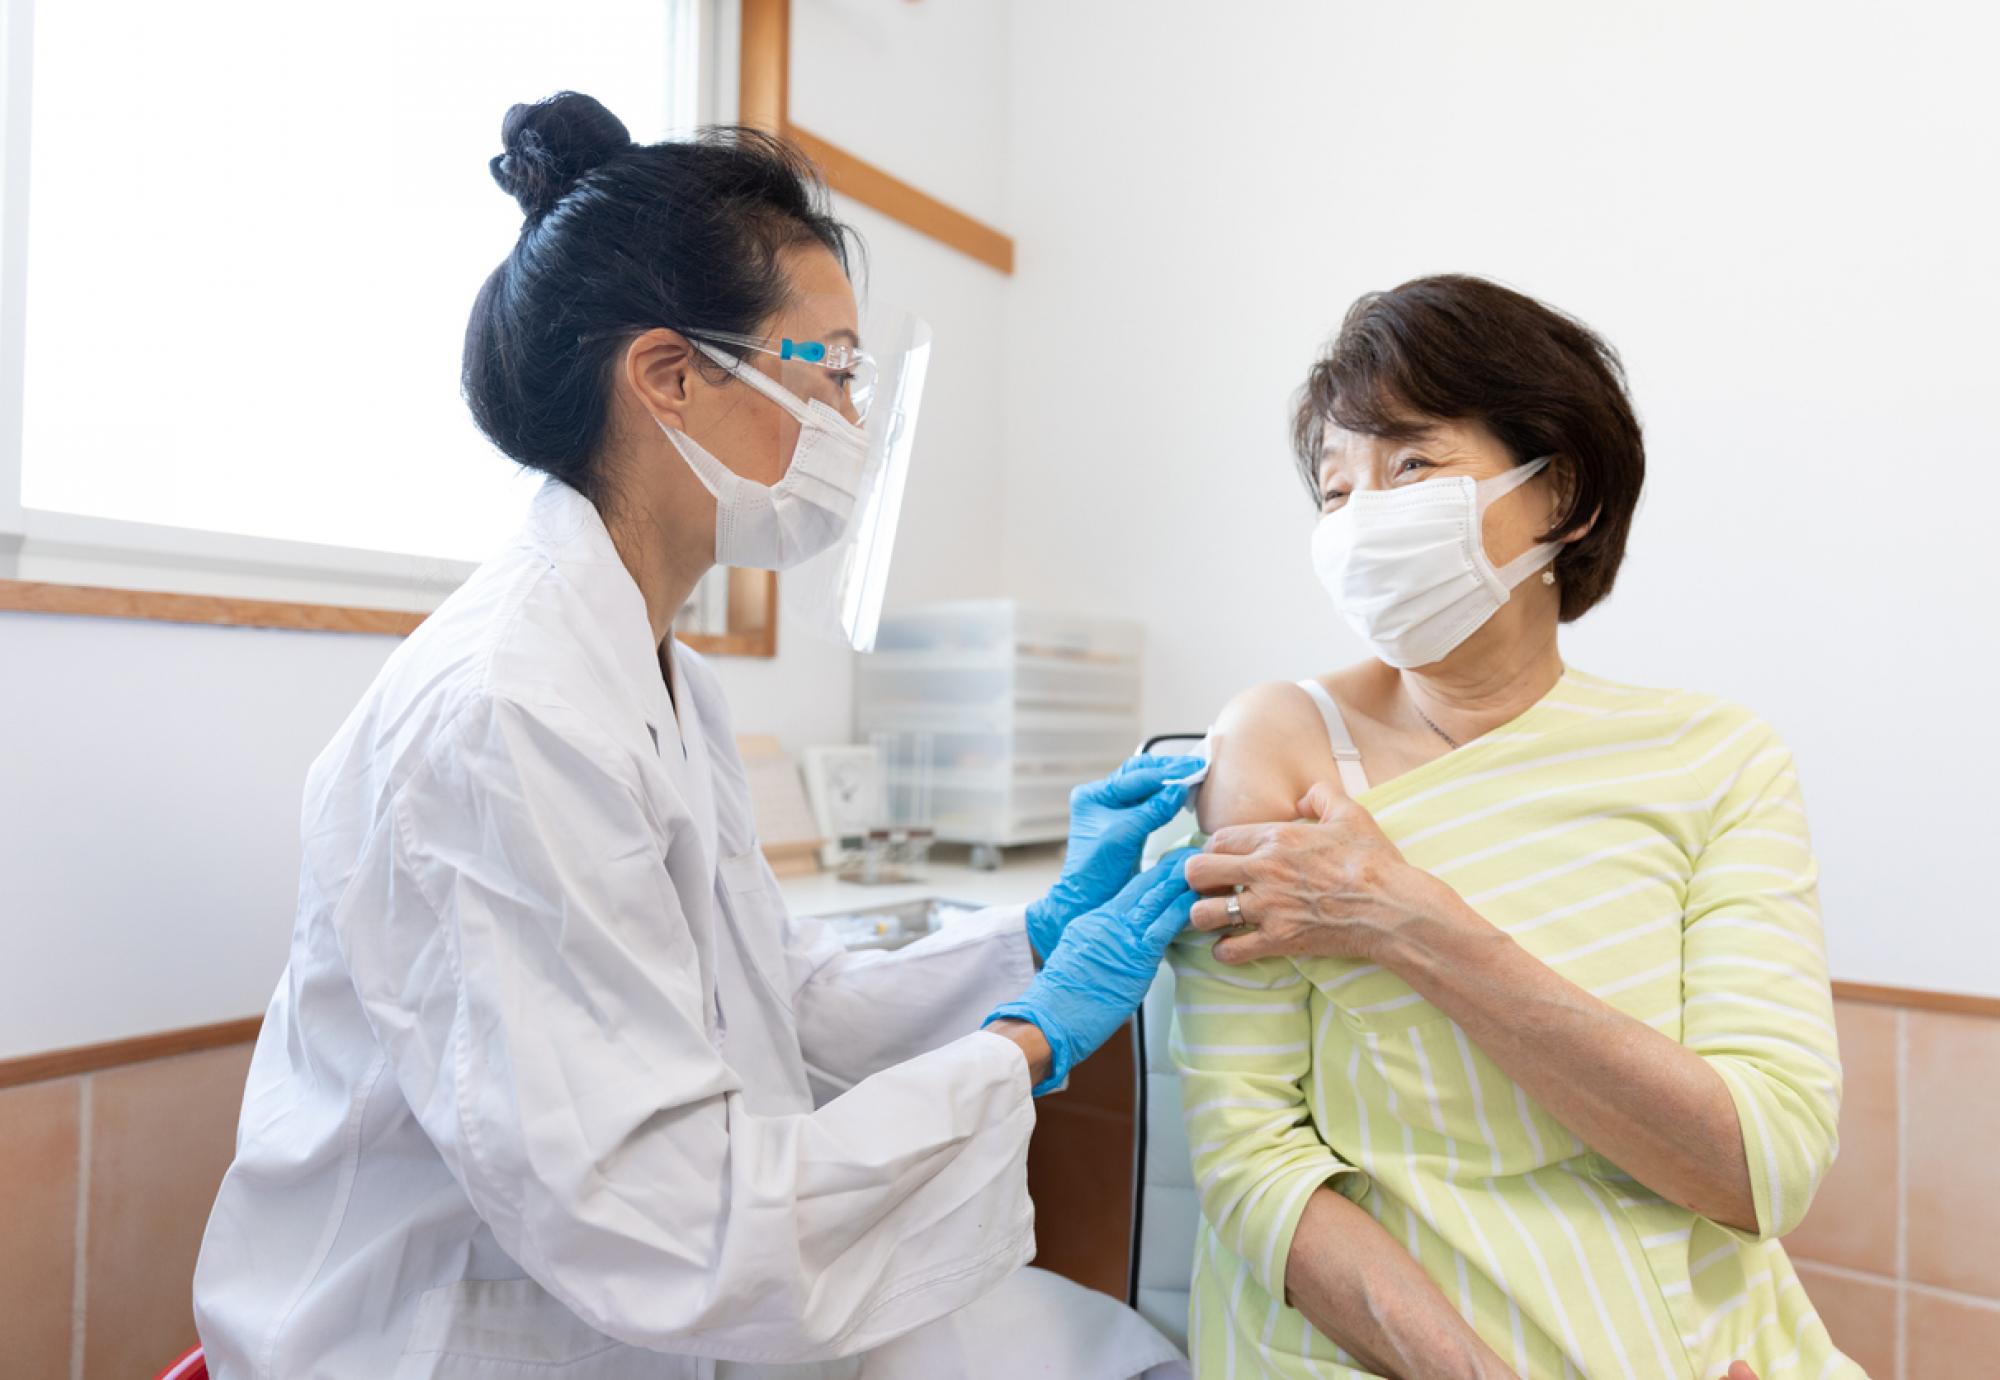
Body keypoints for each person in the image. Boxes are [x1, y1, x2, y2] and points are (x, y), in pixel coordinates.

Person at [192, 92, 1196, 1380]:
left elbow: (783, 1002)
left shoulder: (659, 668)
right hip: (449, 1337)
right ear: (668, 375)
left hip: (628, 1299)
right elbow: (665, 1221)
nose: (853, 415)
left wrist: (1034, 939)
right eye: (826, 365)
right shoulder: (510, 711)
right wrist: (1031, 1039)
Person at [1169, 276, 1856, 1378]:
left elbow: (1758, 1168)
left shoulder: (1713, 759)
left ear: (1564, 494)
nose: (1357, 521)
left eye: (1410, 466)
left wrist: (1410, 924)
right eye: (1333, 489)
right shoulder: (1280, 744)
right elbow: (1249, 1160)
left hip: (1696, 1341)